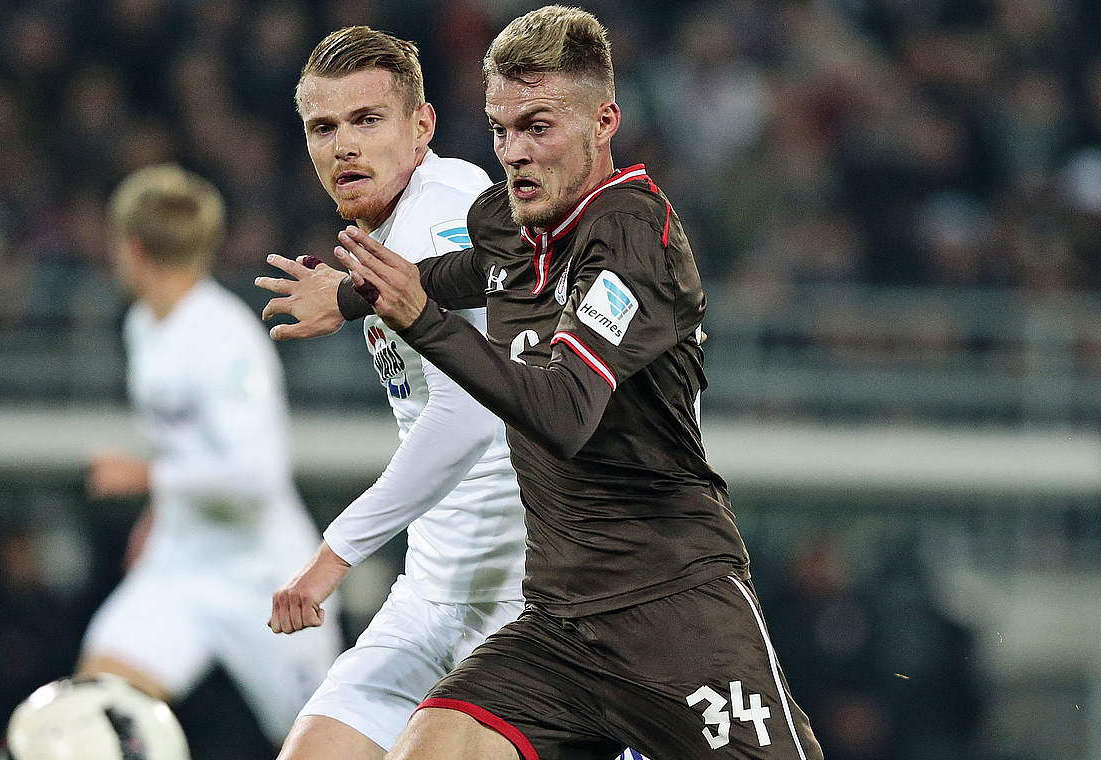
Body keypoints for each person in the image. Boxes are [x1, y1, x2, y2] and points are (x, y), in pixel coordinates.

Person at [262, 7, 824, 760]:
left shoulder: (631, 237)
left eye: (538, 127)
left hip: (669, 605)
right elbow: (450, 274)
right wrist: (343, 296)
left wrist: (424, 321)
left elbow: (563, 412)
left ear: (603, 122)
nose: (514, 153)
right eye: (500, 130)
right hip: (556, 625)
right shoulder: (509, 224)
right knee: (431, 746)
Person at [257, 26, 526, 760]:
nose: (344, 145)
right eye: (324, 127)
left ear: (422, 126)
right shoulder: (397, 230)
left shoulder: (447, 208)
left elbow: (470, 412)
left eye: (367, 120)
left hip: (520, 605)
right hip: (431, 595)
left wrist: (332, 556)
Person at [78, 164, 341, 748]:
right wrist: (158, 515)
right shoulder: (144, 325)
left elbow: (258, 475)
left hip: (264, 578)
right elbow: (183, 442)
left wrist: (145, 479)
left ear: (133, 246)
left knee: (324, 746)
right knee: (94, 713)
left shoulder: (226, 338)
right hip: (183, 562)